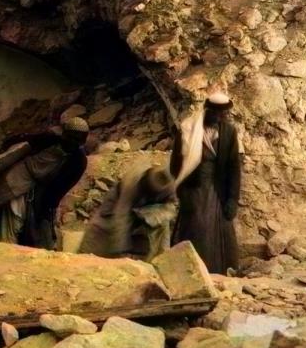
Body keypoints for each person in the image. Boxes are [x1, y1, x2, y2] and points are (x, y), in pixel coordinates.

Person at [0, 117, 90, 250]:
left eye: (77, 139)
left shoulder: (78, 161)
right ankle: (7, 251)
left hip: (39, 190)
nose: (72, 142)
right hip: (18, 179)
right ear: (64, 134)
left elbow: (60, 188)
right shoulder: (48, 140)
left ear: (83, 141)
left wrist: (46, 210)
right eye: (70, 137)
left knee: (35, 228)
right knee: (14, 220)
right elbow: (23, 144)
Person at [171, 88, 242, 274]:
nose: (220, 118)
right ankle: (191, 269)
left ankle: (219, 271)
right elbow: (176, 163)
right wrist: (181, 190)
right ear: (208, 111)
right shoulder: (188, 129)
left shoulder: (229, 132)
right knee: (197, 226)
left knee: (220, 228)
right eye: (217, 113)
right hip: (193, 188)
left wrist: (232, 199)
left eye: (223, 114)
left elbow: (234, 167)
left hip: (217, 188)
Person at [99, 160, 180, 258]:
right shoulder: (133, 184)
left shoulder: (170, 186)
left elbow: (171, 208)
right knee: (101, 240)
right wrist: (120, 251)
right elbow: (122, 217)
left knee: (161, 228)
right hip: (115, 207)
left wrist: (165, 257)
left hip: (149, 212)